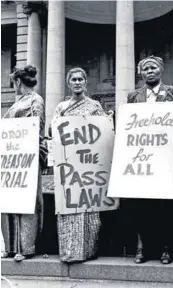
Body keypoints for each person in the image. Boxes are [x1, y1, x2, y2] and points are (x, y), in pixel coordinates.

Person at [126, 56, 173, 264]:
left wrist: (168, 144)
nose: (149, 71)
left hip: (167, 158)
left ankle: (167, 248)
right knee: (142, 205)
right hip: (143, 160)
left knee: (167, 206)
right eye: (145, 69)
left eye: (153, 68)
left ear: (161, 70)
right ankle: (142, 247)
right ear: (140, 73)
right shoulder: (133, 97)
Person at [52, 67, 111, 263]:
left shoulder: (94, 106)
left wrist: (109, 121)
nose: (77, 82)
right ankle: (69, 252)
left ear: (85, 82)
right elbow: (55, 136)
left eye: (80, 79)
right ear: (68, 83)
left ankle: (88, 251)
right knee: (69, 209)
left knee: (89, 211)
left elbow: (104, 133)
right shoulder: (61, 108)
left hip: (89, 168)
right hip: (69, 168)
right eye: (73, 79)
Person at [1, 65, 45, 262]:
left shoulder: (35, 100)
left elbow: (38, 126)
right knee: (9, 200)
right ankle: (10, 246)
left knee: (27, 201)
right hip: (11, 158)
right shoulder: (20, 102)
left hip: (27, 156)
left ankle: (26, 246)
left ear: (18, 82)